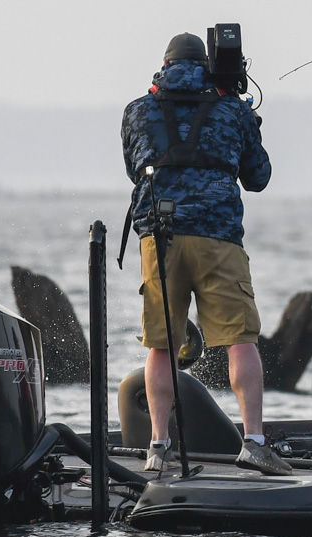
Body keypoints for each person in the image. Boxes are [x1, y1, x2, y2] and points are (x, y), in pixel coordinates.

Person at [121, 32, 291, 475]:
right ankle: (253, 443)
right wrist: (248, 123)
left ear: (164, 65)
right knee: (240, 339)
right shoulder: (232, 109)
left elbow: (133, 169)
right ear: (208, 66)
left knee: (161, 345)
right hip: (218, 237)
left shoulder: (137, 110)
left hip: (159, 237)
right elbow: (258, 177)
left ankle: (158, 447)